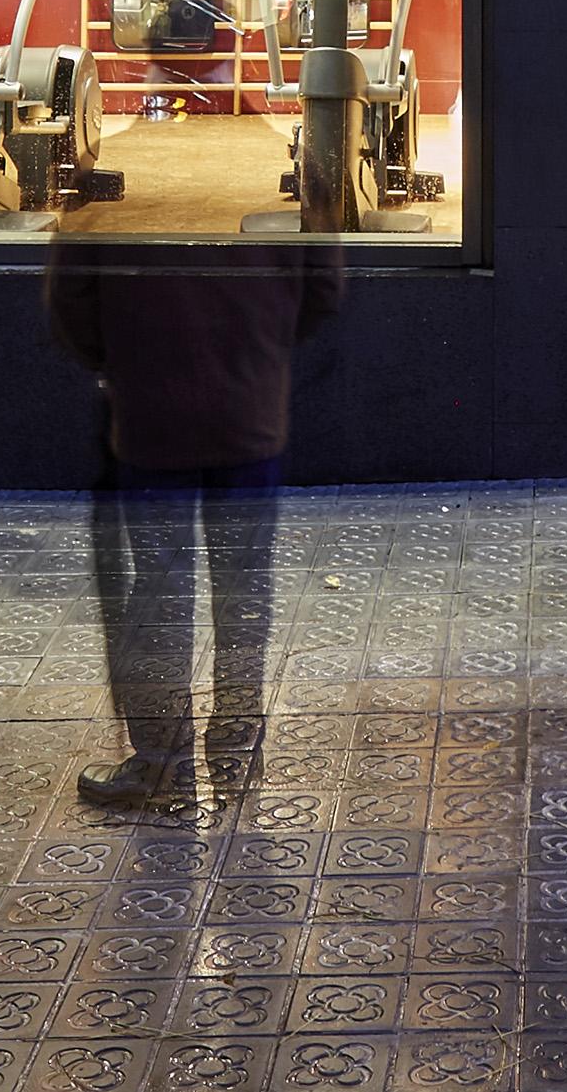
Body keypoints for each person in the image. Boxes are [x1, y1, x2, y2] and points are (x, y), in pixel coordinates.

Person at [46, 236, 344, 809]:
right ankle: (234, 750)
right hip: (248, 411)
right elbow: (322, 290)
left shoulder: (115, 194)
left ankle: (162, 763)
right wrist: (256, 353)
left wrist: (125, 364)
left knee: (159, 587)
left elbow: (72, 299)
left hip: (153, 415)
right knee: (244, 587)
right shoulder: (276, 185)